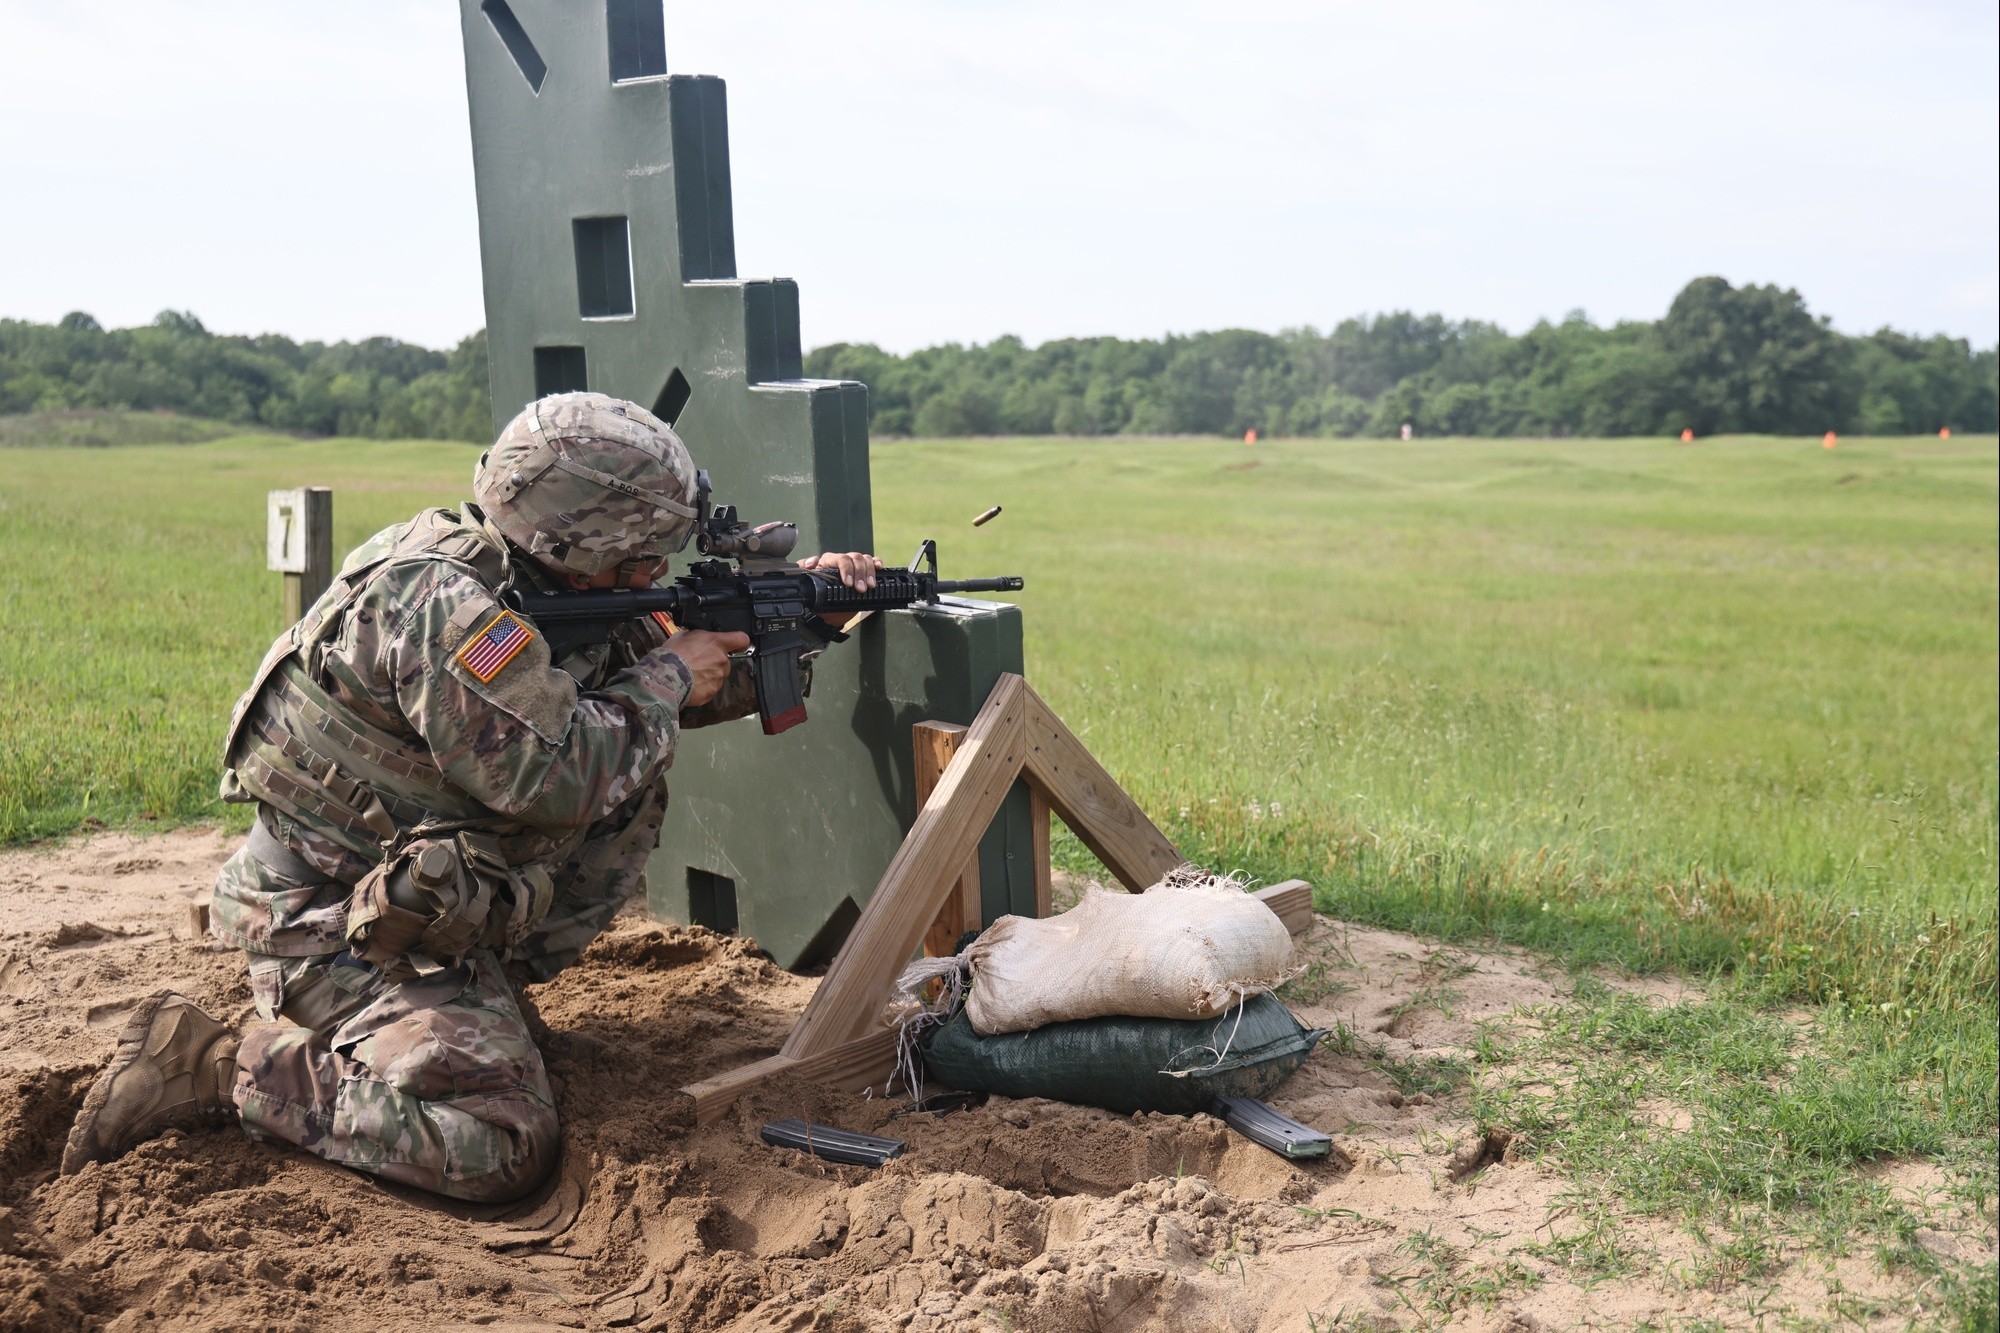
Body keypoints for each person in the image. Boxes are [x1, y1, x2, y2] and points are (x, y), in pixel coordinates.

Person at [61, 392, 882, 1202]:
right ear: (579, 536)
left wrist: (801, 612)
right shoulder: (450, 613)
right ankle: (210, 1063)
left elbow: (645, 677)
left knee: (633, 735)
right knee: (501, 1142)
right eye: (641, 558)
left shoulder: (528, 577)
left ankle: (463, 993)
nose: (655, 575)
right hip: (335, 925)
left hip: (408, 896)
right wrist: (672, 675)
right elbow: (560, 772)